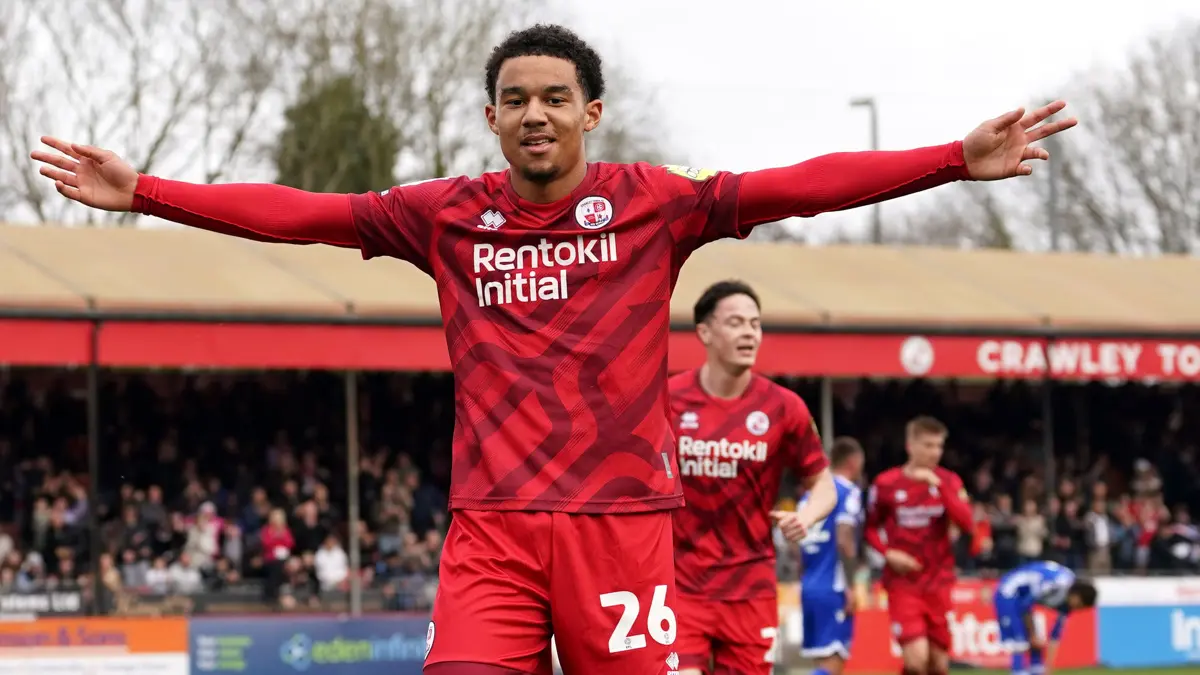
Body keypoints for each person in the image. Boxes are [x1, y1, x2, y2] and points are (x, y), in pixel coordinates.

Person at [30, 22, 1076, 675]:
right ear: (492, 117)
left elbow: (797, 183)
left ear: (592, 113)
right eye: (517, 100)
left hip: (622, 530)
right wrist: (148, 193)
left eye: (555, 99)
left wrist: (949, 161)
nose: (536, 114)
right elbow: (302, 212)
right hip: (492, 527)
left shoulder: (653, 205)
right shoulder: (443, 215)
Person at [668, 281, 836, 675]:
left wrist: (807, 517)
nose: (749, 332)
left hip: (750, 587)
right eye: (736, 323)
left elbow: (823, 483)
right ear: (705, 333)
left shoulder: (783, 407)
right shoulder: (667, 398)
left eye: (756, 324)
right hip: (679, 584)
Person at [863, 417, 975, 675]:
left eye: (939, 446)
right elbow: (869, 528)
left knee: (938, 664)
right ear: (910, 445)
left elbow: (967, 523)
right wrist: (887, 554)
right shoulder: (886, 484)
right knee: (916, 661)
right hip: (903, 583)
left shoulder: (949, 481)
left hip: (940, 582)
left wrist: (940, 488)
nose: (935, 452)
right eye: (928, 445)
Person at [798, 437, 865, 675]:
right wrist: (851, 585)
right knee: (833, 665)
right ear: (853, 461)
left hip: (809, 586)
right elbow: (845, 538)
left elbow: (796, 547)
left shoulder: (809, 497)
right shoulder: (848, 492)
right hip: (833, 586)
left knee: (822, 661)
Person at [995, 560, 1098, 675]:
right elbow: (1025, 605)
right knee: (1020, 642)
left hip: (1024, 600)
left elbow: (1055, 634)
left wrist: (1049, 669)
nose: (1076, 609)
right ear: (1077, 597)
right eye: (1079, 606)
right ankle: (1018, 671)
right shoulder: (1055, 585)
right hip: (1009, 592)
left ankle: (1038, 671)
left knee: (1036, 644)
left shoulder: (1068, 599)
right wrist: (1032, 634)